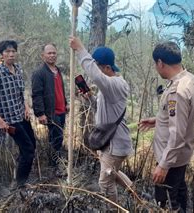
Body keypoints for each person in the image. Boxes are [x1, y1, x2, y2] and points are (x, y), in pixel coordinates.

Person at [69, 37, 133, 206]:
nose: (96, 72)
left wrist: (81, 49)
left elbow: (96, 77)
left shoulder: (115, 84)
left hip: (115, 144)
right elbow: (102, 108)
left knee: (105, 182)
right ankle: (136, 195)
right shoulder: (110, 87)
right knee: (114, 172)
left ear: (107, 67)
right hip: (110, 142)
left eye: (98, 67)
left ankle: (115, 209)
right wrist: (91, 98)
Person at [138, 41, 194, 212]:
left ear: (160, 63)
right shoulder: (190, 79)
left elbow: (177, 134)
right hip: (180, 156)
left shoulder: (177, 92)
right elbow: (181, 118)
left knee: (165, 203)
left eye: (155, 65)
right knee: (179, 196)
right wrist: (158, 120)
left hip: (171, 157)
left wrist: (163, 165)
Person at [0, 40, 36, 188]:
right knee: (28, 150)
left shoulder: (18, 69)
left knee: (32, 145)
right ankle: (20, 184)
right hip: (10, 120)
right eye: (7, 52)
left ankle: (19, 172)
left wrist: (26, 107)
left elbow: (21, 91)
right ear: (2, 54)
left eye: (13, 51)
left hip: (21, 115)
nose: (11, 54)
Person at [31, 43, 68, 170]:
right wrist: (40, 113)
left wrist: (66, 104)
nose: (52, 55)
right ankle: (55, 165)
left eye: (54, 53)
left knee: (59, 137)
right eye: (49, 53)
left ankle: (57, 161)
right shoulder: (39, 73)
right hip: (51, 112)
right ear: (43, 56)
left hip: (62, 110)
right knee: (56, 138)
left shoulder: (57, 71)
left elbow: (60, 90)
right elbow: (36, 95)